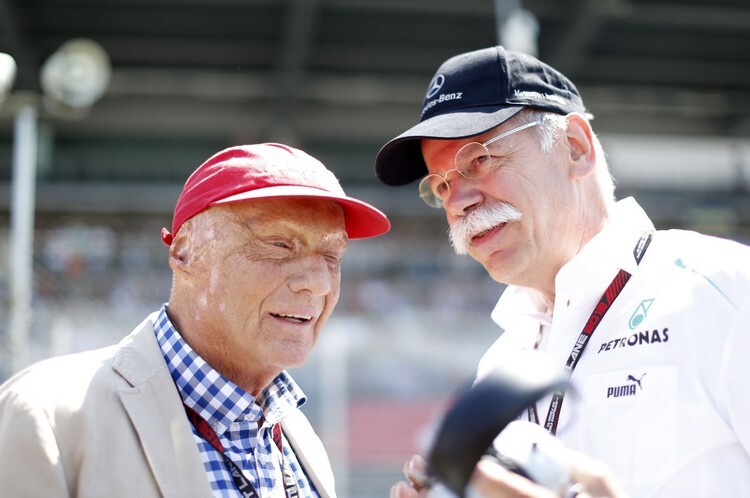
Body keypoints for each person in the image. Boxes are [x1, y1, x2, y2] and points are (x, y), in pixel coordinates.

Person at [374, 45, 750, 497]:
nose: (458, 202)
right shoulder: (500, 364)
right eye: (441, 185)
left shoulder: (725, 290)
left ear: (575, 147)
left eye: (479, 160)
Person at [0, 143, 390, 497]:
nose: (319, 283)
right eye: (279, 245)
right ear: (185, 251)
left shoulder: (299, 441)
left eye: (332, 258)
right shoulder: (45, 417)